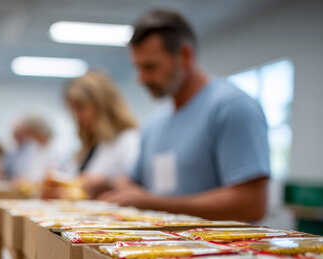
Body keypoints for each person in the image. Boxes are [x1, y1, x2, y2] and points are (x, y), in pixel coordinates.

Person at [99, 9, 270, 222]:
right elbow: (134, 185)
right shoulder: (154, 125)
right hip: (161, 253)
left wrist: (154, 204)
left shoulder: (231, 108)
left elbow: (252, 204)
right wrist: (104, 183)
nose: (141, 79)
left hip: (219, 253)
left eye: (150, 67)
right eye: (138, 68)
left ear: (185, 56)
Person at [44, 70, 141, 198]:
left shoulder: (128, 140)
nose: (76, 116)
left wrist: (108, 183)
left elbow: (139, 188)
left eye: (80, 107)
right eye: (72, 109)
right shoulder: (88, 146)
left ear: (103, 105)